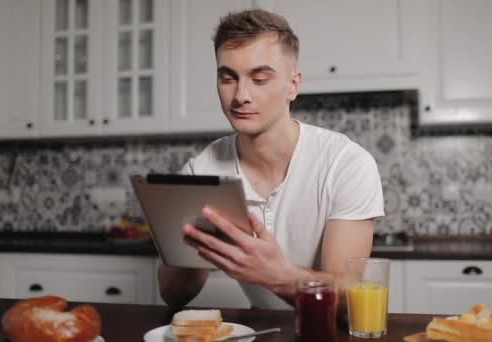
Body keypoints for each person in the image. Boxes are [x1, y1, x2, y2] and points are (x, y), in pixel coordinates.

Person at [158, 8, 384, 312]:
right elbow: (173, 295)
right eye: (228, 78)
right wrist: (192, 244)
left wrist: (278, 276)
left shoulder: (346, 164)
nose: (241, 96)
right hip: (263, 330)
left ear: (293, 85)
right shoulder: (200, 172)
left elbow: (348, 300)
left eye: (260, 78)